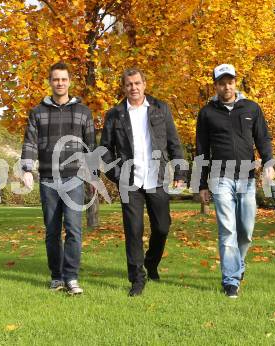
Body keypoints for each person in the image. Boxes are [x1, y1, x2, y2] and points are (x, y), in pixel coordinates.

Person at [100, 68, 186, 296]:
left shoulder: (160, 108)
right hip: (130, 181)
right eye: (129, 84)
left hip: (156, 178)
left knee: (162, 226)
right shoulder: (115, 114)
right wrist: (117, 176)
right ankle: (137, 279)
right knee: (133, 230)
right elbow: (104, 151)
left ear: (145, 84)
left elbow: (174, 142)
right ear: (124, 87)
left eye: (137, 83)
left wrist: (180, 173)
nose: (133, 88)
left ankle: (151, 263)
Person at [196, 64, 274, 298]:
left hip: (247, 178)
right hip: (220, 178)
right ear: (216, 85)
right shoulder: (207, 113)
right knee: (227, 230)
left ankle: (238, 264)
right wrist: (201, 184)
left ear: (235, 82)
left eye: (230, 81)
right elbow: (201, 150)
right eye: (222, 82)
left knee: (245, 231)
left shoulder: (251, 108)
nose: (226, 86)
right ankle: (230, 280)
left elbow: (263, 138)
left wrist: (268, 163)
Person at [21, 62, 96, 295]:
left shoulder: (83, 112)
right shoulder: (38, 112)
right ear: (50, 81)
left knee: (74, 229)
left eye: (63, 79)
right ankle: (56, 277)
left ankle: (71, 277)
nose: (60, 83)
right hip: (48, 179)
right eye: (55, 79)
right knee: (52, 231)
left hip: (74, 179)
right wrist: (26, 169)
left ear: (69, 81)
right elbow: (30, 143)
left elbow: (90, 147)